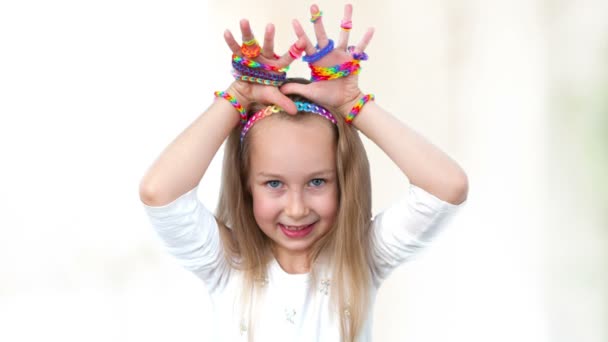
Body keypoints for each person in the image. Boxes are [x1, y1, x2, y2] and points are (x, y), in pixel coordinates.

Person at [139, 4, 468, 341]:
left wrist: (353, 104)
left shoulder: (361, 257)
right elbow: (159, 192)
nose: (297, 209)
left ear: (343, 180)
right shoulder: (227, 264)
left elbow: (446, 188)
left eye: (316, 182)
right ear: (246, 184)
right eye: (274, 183)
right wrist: (239, 96)